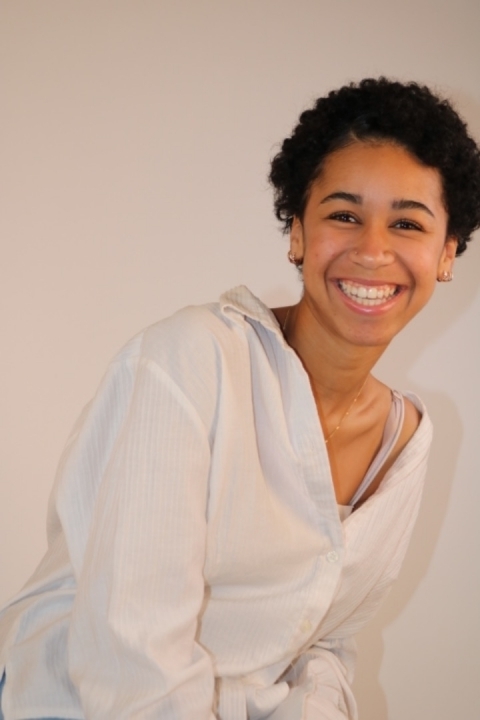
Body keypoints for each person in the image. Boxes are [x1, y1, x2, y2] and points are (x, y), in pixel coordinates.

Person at [1, 78, 480, 720]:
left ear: (446, 253)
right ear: (297, 234)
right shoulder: (190, 361)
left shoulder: (406, 439)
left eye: (407, 223)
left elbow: (323, 642)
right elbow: (132, 655)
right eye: (343, 215)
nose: (373, 250)